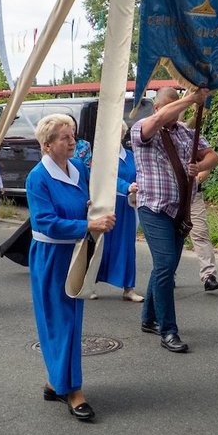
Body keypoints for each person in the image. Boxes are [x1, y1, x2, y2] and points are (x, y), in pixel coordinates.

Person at [25, 114, 115, 421]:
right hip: (51, 256)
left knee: (72, 321)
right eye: (65, 137)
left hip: (76, 252)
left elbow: (95, 192)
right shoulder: (38, 177)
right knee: (58, 322)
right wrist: (87, 224)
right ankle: (73, 389)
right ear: (48, 145)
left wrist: (108, 202)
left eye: (72, 135)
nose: (72, 141)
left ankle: (56, 382)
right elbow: (45, 222)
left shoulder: (77, 168)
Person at [131, 87, 218, 353]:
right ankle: (168, 330)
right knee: (167, 264)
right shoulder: (142, 129)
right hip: (154, 209)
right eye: (173, 107)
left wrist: (200, 167)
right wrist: (191, 98)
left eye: (181, 109)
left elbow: (213, 156)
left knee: (164, 266)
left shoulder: (186, 133)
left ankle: (148, 318)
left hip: (180, 210)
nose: (178, 113)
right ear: (159, 108)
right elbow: (157, 122)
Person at [93, 121, 144, 302]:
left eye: (119, 132)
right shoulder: (103, 156)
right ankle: (90, 283)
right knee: (101, 245)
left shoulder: (131, 155)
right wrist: (126, 186)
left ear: (123, 134)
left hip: (128, 205)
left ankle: (128, 289)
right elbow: (107, 177)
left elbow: (140, 174)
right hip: (106, 205)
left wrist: (139, 186)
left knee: (127, 246)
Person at [188, 171, 218, 291]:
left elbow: (207, 163)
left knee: (201, 234)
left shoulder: (196, 151)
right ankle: (168, 275)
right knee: (170, 236)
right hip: (168, 196)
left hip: (193, 196)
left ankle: (209, 276)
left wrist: (195, 181)